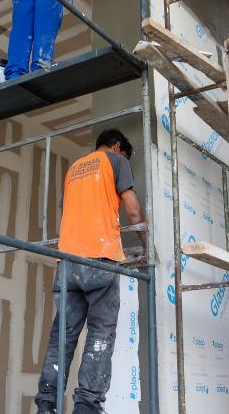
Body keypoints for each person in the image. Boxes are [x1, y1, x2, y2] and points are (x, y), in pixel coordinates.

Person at [35, 129, 144, 414]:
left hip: (67, 263)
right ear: (118, 146)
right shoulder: (116, 161)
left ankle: (46, 404)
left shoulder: (74, 169)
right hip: (99, 260)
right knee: (100, 335)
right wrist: (146, 244)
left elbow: (73, 212)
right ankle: (86, 406)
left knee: (62, 338)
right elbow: (132, 210)